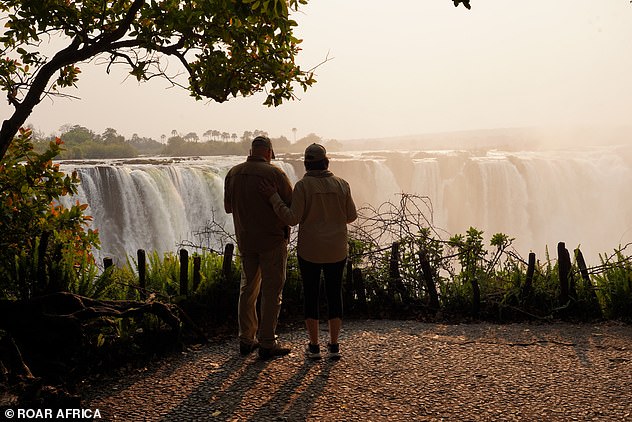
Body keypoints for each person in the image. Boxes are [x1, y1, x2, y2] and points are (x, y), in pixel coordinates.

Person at [261, 143, 357, 360]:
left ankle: (314, 347)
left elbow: (292, 219)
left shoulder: (303, 186)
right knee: (334, 295)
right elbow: (351, 216)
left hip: (310, 250)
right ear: (326, 162)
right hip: (336, 249)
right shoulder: (342, 184)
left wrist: (274, 198)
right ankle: (334, 346)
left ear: (306, 164)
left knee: (311, 296)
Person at [224, 135, 293, 360]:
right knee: (272, 292)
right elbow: (291, 209)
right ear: (269, 152)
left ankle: (246, 339)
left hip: (245, 239)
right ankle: (266, 342)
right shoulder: (275, 174)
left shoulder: (233, 173)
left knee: (248, 289)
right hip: (272, 240)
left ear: (251, 150)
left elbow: (228, 207)